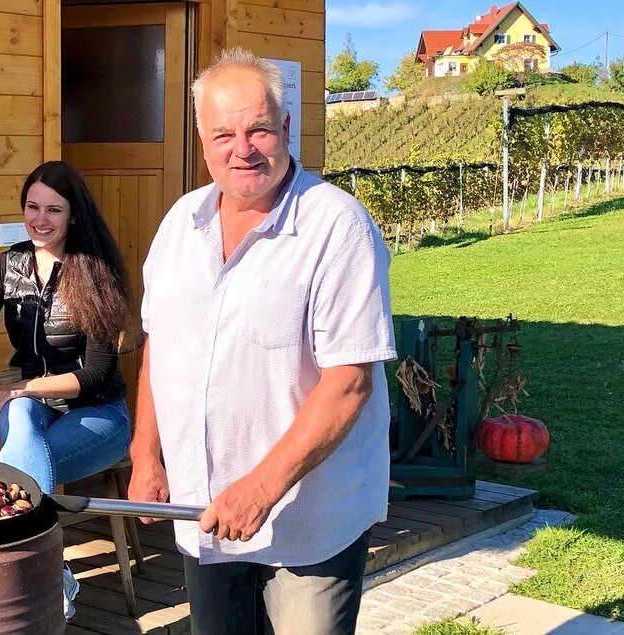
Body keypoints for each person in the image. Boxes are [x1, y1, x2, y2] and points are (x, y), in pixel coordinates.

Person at [127, 48, 397, 635]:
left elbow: (349, 382)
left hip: (308, 522)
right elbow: (161, 343)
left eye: (258, 129)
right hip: (205, 510)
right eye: (223, 133)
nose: (241, 148)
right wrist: (146, 453)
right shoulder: (180, 224)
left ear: (287, 129)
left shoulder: (336, 226)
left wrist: (261, 488)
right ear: (201, 139)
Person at [0, 160, 135, 619]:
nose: (39, 220)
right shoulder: (10, 264)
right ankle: (47, 574)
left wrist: (26, 387)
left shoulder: (96, 271)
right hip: (32, 411)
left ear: (74, 215)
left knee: (13, 467)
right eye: (32, 207)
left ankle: (3, 572)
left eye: (53, 210)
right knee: (21, 426)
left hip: (98, 415)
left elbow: (97, 373)